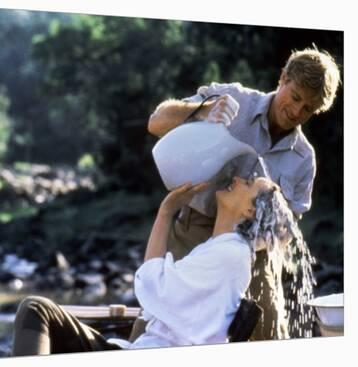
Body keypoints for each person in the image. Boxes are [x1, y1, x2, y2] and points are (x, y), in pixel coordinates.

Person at [146, 47, 341, 340]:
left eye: (308, 109)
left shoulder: (303, 158)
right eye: (296, 97)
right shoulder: (233, 100)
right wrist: (201, 111)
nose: (296, 112)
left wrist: (248, 245)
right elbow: (156, 123)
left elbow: (286, 230)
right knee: (158, 321)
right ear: (283, 78)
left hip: (252, 252)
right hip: (194, 230)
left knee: (271, 335)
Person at [12, 176, 296, 355]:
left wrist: (166, 211)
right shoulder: (221, 250)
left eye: (248, 184)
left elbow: (152, 285)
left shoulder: (231, 255)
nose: (237, 178)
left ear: (249, 211)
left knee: (36, 310)